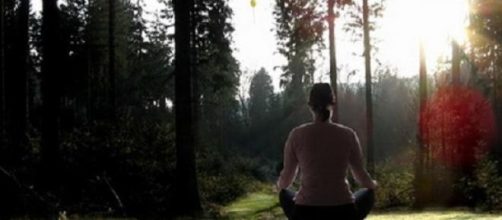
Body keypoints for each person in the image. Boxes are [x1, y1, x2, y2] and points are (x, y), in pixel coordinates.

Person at [277, 83, 377, 220]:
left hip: (305, 212)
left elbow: (286, 180)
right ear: (332, 103)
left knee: (284, 194)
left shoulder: (297, 134)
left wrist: (279, 185)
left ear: (310, 106)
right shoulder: (348, 134)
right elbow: (360, 175)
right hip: (343, 211)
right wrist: (372, 184)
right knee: (368, 193)